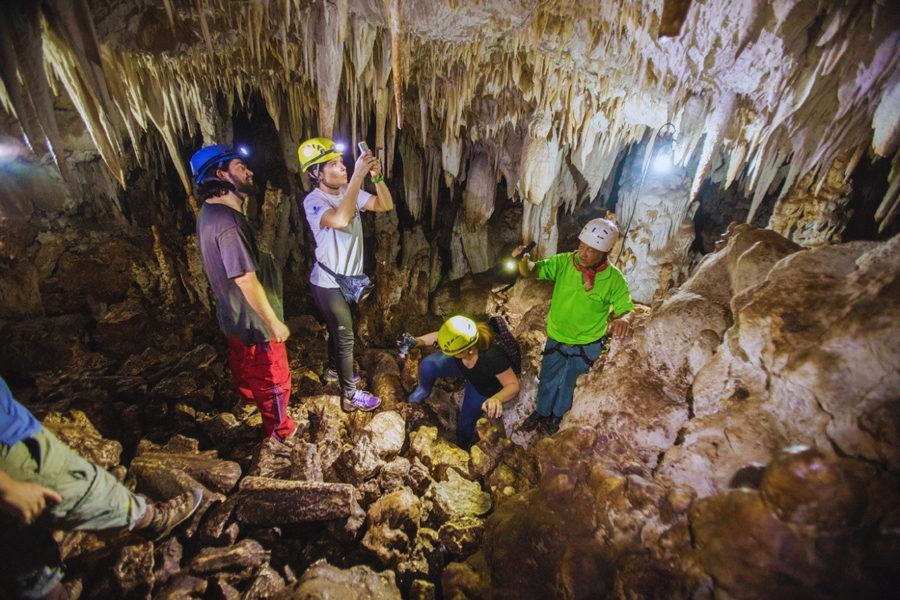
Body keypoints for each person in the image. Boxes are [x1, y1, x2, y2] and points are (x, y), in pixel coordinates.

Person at [0, 376, 201, 599]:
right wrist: (6, 488)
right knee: (85, 488)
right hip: (8, 444)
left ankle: (50, 591)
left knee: (14, 544)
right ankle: (151, 519)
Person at [190, 145, 298, 441]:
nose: (249, 172)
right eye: (240, 166)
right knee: (273, 376)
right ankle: (279, 432)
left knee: (247, 369)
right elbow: (245, 279)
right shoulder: (229, 223)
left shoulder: (210, 213)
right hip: (254, 321)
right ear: (220, 174)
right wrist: (273, 321)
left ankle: (251, 404)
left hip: (233, 316)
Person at [298, 137, 395, 412]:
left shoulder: (347, 192)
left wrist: (376, 178)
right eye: (333, 164)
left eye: (342, 162)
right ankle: (350, 395)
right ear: (316, 173)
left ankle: (332, 370)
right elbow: (340, 220)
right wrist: (356, 177)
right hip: (327, 283)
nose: (342, 167)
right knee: (345, 335)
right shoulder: (314, 200)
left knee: (340, 329)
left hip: (349, 280)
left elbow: (384, 204)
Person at [516, 218, 635, 434]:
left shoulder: (614, 280)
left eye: (591, 250)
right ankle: (542, 412)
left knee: (570, 384)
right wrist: (523, 260)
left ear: (604, 253)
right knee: (548, 378)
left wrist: (624, 319)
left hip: (587, 342)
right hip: (557, 336)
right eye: (582, 246)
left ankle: (556, 418)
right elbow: (533, 271)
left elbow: (626, 307)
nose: (583, 252)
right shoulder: (564, 263)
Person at [403, 316, 520, 449]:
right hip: (463, 367)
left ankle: (464, 443)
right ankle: (424, 389)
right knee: (427, 365)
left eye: (453, 353)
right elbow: (439, 336)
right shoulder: (461, 339)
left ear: (467, 350)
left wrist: (497, 398)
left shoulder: (492, 357)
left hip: (482, 385)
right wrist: (418, 341)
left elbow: (513, 385)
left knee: (466, 422)